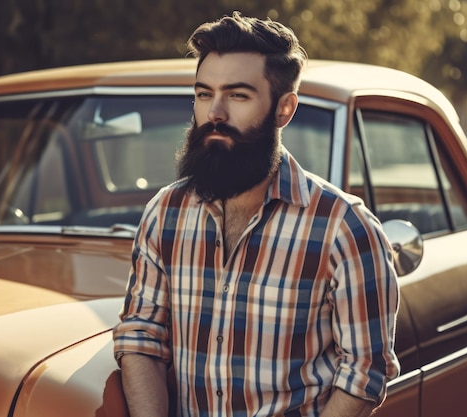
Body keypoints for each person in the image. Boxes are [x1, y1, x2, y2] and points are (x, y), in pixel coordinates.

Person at [113, 11, 400, 417]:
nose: (215, 112)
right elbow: (141, 336)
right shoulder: (165, 212)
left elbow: (366, 373)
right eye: (203, 93)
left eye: (238, 95)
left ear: (284, 109)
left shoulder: (344, 228)